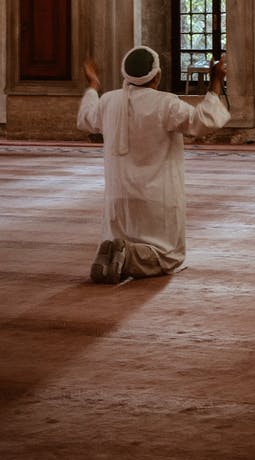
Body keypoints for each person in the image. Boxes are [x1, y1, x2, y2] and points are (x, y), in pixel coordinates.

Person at [77, 46, 230, 284]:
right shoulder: (166, 103)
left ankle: (115, 251)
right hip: (158, 199)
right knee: (167, 256)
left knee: (123, 235)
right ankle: (127, 257)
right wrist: (216, 82)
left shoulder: (109, 101)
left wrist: (94, 84)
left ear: (125, 75)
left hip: (119, 199)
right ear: (156, 77)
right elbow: (203, 122)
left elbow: (86, 116)